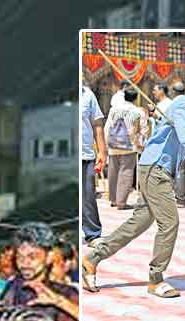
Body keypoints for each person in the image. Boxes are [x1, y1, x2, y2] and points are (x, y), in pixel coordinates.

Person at [82, 58, 185, 298]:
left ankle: (93, 258)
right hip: (155, 168)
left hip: (160, 168)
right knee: (170, 223)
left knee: (138, 223)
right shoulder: (182, 105)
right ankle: (156, 279)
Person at [104, 86, 148, 210]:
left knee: (113, 171)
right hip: (130, 146)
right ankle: (121, 202)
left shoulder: (114, 109)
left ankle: (113, 199)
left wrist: (107, 143)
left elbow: (107, 127)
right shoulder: (138, 111)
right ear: (135, 98)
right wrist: (141, 144)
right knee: (126, 172)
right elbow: (143, 130)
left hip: (113, 145)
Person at [80, 75, 107, 243]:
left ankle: (93, 234)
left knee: (88, 196)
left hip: (85, 154)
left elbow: (97, 125)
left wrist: (102, 152)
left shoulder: (88, 95)